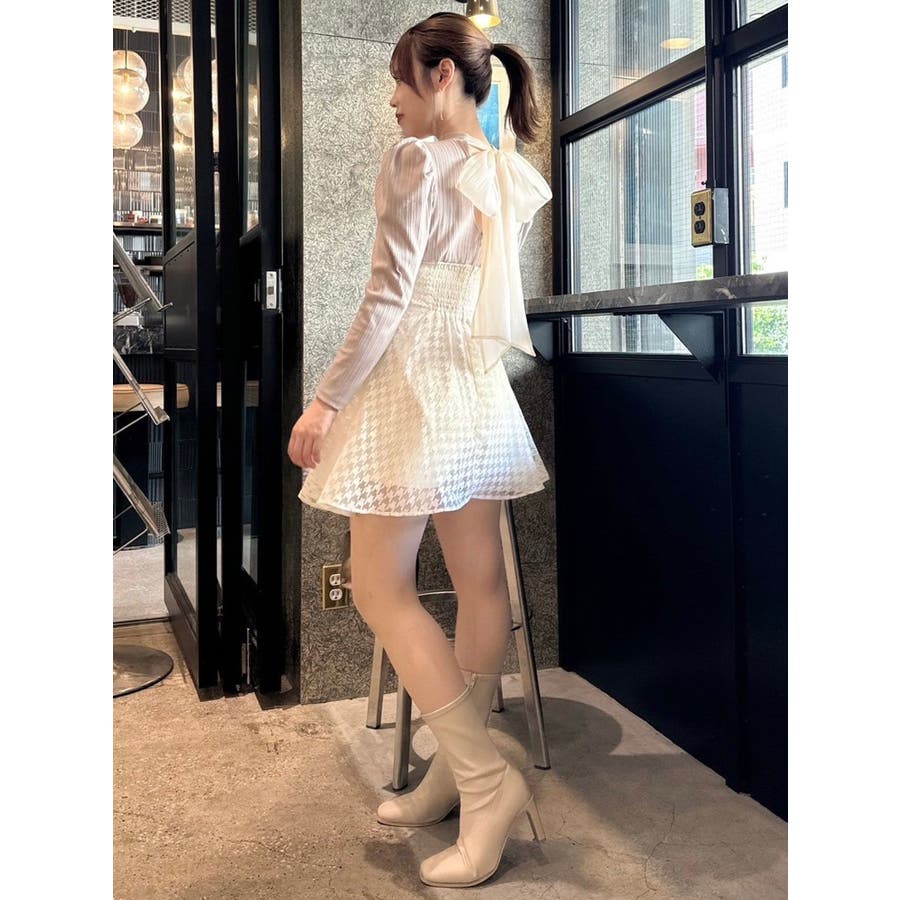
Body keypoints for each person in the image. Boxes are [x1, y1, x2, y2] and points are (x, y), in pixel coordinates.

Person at [287, 11, 551, 889]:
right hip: (473, 385)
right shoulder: (503, 170)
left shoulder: (416, 160)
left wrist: (325, 402)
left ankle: (484, 780)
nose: (393, 101)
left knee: (377, 586)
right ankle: (455, 770)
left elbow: (387, 297)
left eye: (400, 81)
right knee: (479, 583)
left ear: (441, 75)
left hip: (413, 383)